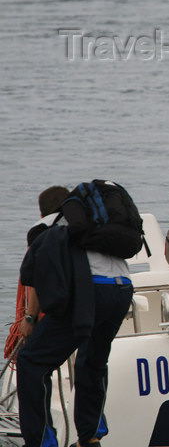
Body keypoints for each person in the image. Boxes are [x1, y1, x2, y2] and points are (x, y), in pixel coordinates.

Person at [17, 189, 134, 447]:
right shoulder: (95, 221)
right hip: (122, 289)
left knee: (31, 362)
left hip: (90, 291)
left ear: (42, 211)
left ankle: (41, 442)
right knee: (92, 361)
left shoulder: (44, 226)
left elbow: (38, 276)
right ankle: (90, 437)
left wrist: (31, 318)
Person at [4, 186, 70, 362]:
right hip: (95, 307)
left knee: (29, 360)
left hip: (55, 315)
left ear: (42, 215)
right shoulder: (82, 231)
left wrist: (29, 319)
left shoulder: (41, 232)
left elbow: (37, 280)